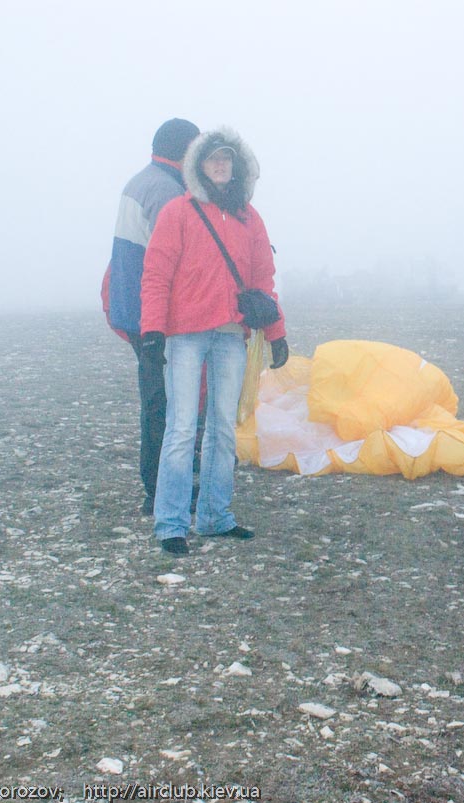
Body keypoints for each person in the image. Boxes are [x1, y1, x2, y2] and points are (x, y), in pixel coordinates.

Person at [140, 127, 289, 556]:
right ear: (199, 166)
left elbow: (263, 281)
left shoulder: (250, 218)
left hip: (230, 336)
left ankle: (214, 517)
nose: (221, 166)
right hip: (185, 335)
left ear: (237, 167)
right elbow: (156, 275)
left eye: (227, 159)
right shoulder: (178, 212)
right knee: (182, 427)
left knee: (223, 429)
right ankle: (171, 523)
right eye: (212, 159)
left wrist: (276, 333)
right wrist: (153, 331)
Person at [104, 118, 200, 515]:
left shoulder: (139, 181)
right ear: (185, 151)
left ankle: (158, 484)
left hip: (132, 309)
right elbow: (173, 263)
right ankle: (161, 489)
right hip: (155, 318)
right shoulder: (167, 192)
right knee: (167, 404)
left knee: (156, 401)